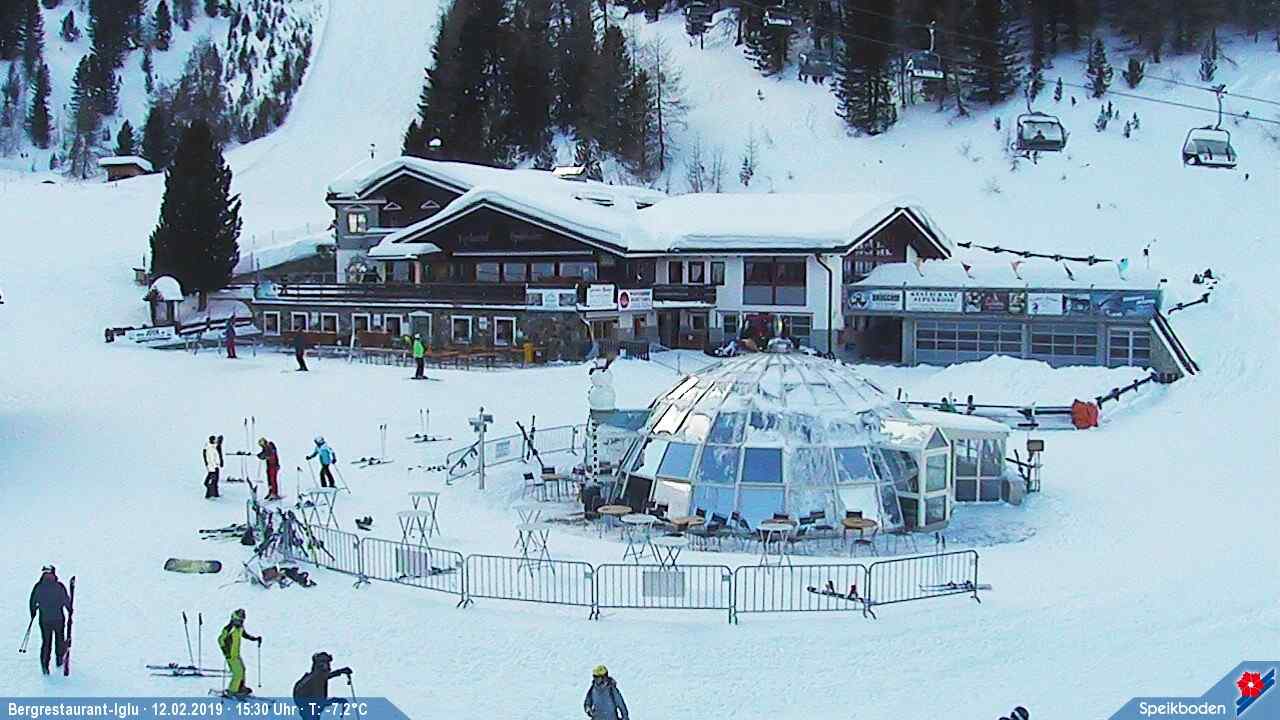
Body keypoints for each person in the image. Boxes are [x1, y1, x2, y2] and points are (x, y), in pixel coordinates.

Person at [28, 566, 71, 676]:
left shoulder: (41, 587)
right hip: (51, 619)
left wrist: (33, 611)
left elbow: (33, 601)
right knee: (50, 642)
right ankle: (49, 663)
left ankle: (54, 661)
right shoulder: (56, 586)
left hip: (53, 619)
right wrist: (69, 609)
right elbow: (33, 601)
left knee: (53, 642)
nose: (47, 576)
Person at [293, 652, 352, 720]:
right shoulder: (315, 680)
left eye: (327, 663)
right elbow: (320, 702)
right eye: (325, 663)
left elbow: (325, 676)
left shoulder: (312, 678)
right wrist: (338, 700)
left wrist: (341, 671)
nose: (328, 667)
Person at [218, 609, 261, 697]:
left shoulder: (240, 628)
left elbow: (244, 635)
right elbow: (220, 640)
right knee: (237, 673)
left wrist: (255, 639)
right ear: (233, 619)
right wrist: (225, 650)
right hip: (230, 655)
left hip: (236, 654)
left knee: (243, 669)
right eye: (238, 621)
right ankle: (232, 690)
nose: (240, 623)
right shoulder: (229, 629)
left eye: (241, 621)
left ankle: (240, 687)